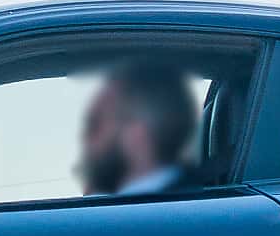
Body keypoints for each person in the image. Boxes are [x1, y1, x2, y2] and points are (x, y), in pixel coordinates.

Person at [75, 59, 200, 197]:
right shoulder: (197, 197)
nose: (86, 138)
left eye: (95, 125)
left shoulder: (178, 206)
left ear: (137, 134)